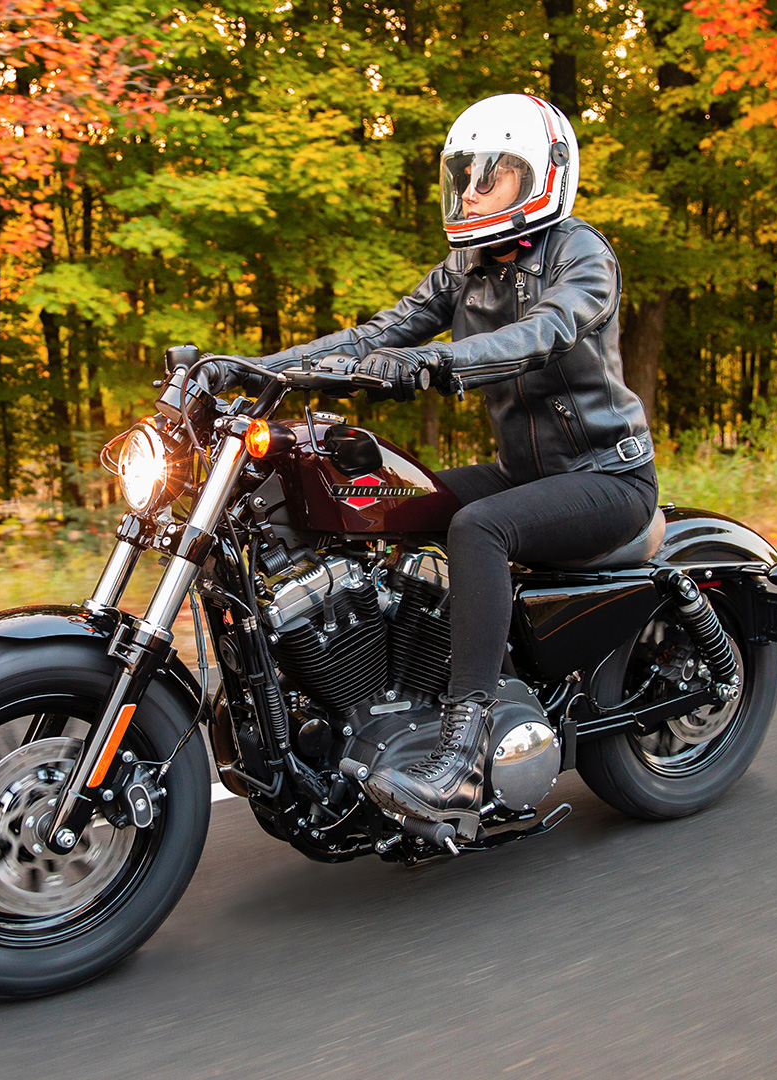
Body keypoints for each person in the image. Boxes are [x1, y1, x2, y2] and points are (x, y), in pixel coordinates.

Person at [247, 93, 659, 826]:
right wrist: (253, 369)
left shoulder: (582, 257)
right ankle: (397, 703)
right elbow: (376, 331)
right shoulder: (465, 266)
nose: (470, 190)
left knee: (477, 529)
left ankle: (465, 765)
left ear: (542, 177)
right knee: (384, 499)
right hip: (525, 475)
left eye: (490, 175)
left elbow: (543, 334)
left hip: (606, 477)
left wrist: (428, 366)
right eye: (465, 174)